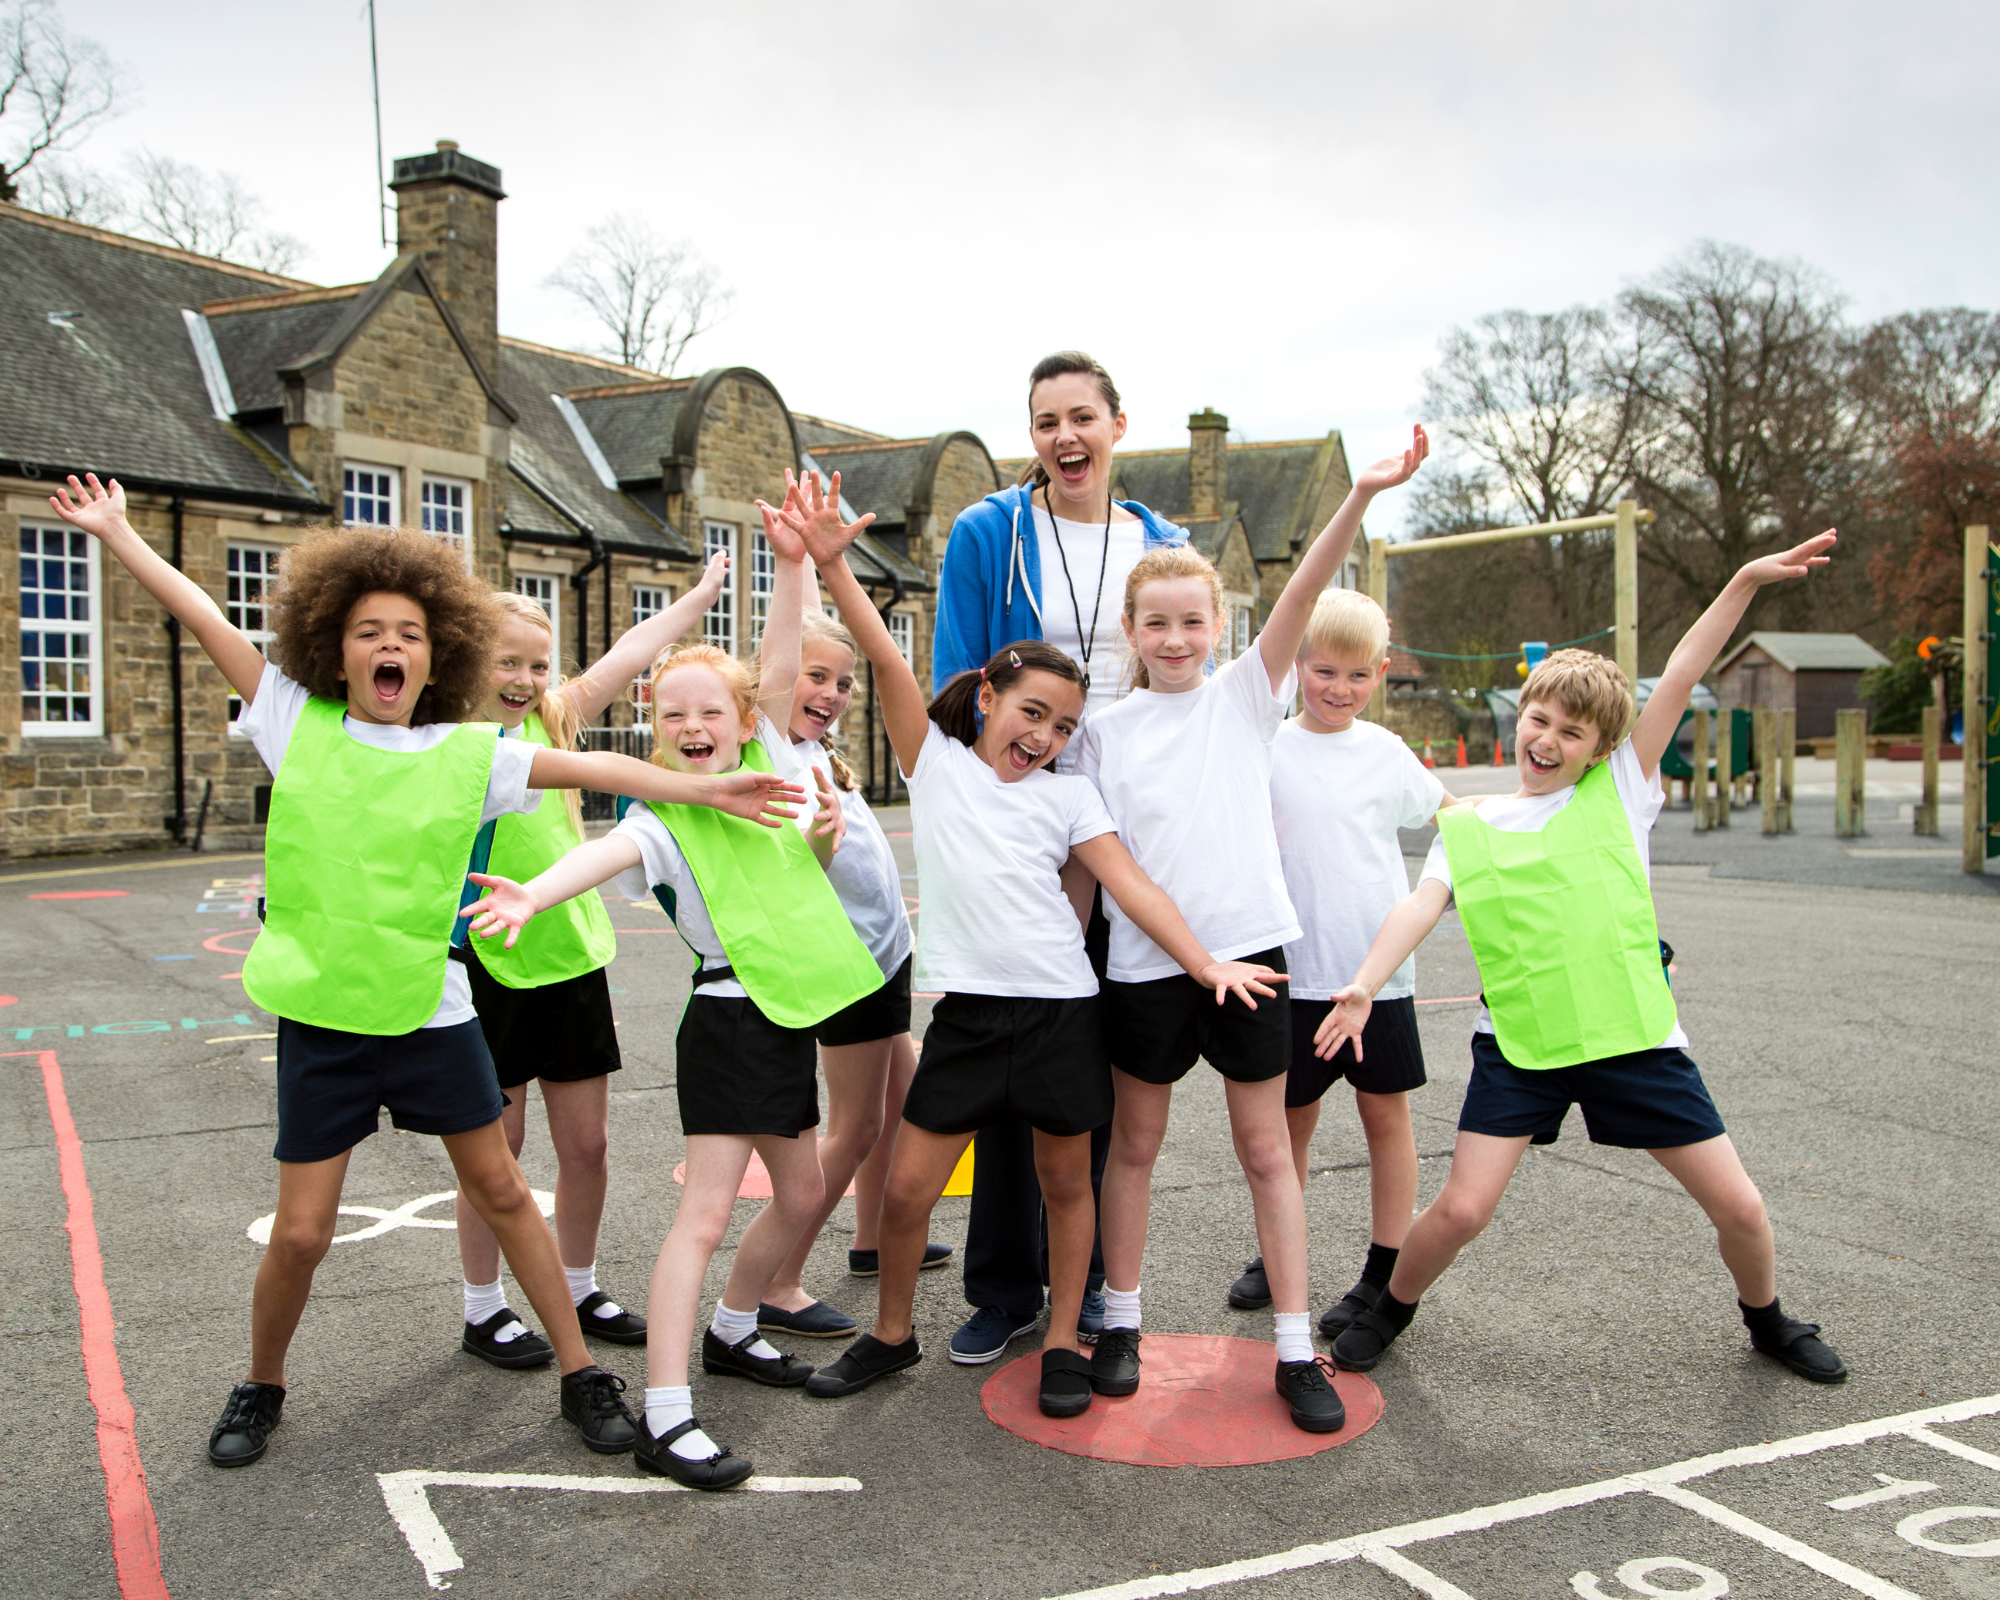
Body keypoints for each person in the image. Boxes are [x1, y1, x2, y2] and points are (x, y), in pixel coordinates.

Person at [47, 474, 804, 1469]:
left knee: (500, 1187)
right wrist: (116, 534)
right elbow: (199, 616)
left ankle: (581, 1373)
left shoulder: (466, 750)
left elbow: (604, 772)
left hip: (435, 1011)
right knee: (303, 1231)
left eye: (406, 630)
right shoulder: (289, 719)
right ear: (332, 646)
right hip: (323, 1018)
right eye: (367, 630)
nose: (388, 645)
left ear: (436, 648)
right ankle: (261, 1381)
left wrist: (703, 787)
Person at [780, 471, 1280, 1421]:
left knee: (1066, 1183)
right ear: (986, 704)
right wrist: (835, 570)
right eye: (1031, 714)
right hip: (969, 1018)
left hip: (1061, 1015)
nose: (1045, 736)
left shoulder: (1071, 794)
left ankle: (1061, 1340)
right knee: (908, 1190)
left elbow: (1130, 885)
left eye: (1063, 727)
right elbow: (887, 660)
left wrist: (1205, 960)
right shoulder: (935, 767)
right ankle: (892, 1334)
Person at [1318, 532, 1849, 1386]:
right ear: (1519, 717)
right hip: (1524, 1046)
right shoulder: (1472, 826)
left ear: (1602, 747)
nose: (1549, 739)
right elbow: (1418, 907)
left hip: (1634, 1035)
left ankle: (1770, 1320)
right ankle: (1391, 1307)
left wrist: (1745, 580)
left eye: (1572, 731)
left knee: (1740, 1206)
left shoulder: (1623, 791)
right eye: (1539, 720)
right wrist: (1362, 985)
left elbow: (1678, 672)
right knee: (1461, 1209)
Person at [463, 494, 880, 1489]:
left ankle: (735, 1328)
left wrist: (788, 567)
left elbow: (777, 664)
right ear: (655, 734)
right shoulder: (663, 814)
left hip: (782, 1020)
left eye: (711, 712)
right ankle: (665, 1411)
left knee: (807, 1189)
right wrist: (535, 888)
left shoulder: (773, 771)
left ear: (745, 722)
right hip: (728, 1025)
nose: (691, 727)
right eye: (671, 716)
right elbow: (603, 848)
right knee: (700, 1215)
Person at [1073, 428, 1428, 1433]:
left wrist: (1357, 496)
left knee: (1267, 1152)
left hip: (1256, 962)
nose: (1176, 638)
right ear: (1131, 633)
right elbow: (1111, 869)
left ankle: (1288, 1344)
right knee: (1132, 1146)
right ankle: (1123, 1323)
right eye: (1157, 624)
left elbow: (1303, 592)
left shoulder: (1243, 697)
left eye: (1193, 620)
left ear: (1216, 627)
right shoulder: (1104, 732)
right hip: (1150, 968)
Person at [929, 350, 1188, 1366]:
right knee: (1010, 1047)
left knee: (1103, 1068)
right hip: (1027, 821)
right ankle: (1003, 1285)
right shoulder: (988, 532)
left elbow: (1186, 671)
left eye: (1081, 417)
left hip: (1125, 818)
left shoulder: (1158, 543)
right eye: (1045, 422)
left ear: (1118, 425)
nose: (1063, 437)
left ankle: (1090, 1290)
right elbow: (958, 674)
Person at [449, 554, 731, 1370]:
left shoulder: (557, 718)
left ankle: (576, 1282)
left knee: (588, 1147)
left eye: (538, 664)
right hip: (486, 964)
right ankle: (483, 1306)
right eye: (507, 661)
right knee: (494, 1152)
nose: (525, 678)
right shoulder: (450, 744)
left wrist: (699, 600)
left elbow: (631, 651)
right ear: (468, 657)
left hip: (569, 958)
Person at [1232, 588, 1454, 1338]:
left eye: (1358, 676)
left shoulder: (1387, 754)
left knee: (1385, 1117)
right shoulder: (1266, 747)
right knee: (1288, 1121)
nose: (1339, 689)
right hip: (1290, 971)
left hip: (1377, 976)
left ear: (1382, 673)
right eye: (1324, 671)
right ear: (1297, 665)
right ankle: (1277, 1249)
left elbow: (1450, 815)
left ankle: (1383, 1269)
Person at [755, 595, 951, 1342]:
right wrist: (799, 560)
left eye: (841, 683)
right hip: (848, 966)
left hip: (884, 956)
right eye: (814, 677)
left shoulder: (817, 755)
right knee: (856, 1124)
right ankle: (778, 1278)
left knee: (902, 1102)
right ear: (777, 681)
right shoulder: (772, 747)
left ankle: (871, 1241)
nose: (831, 695)